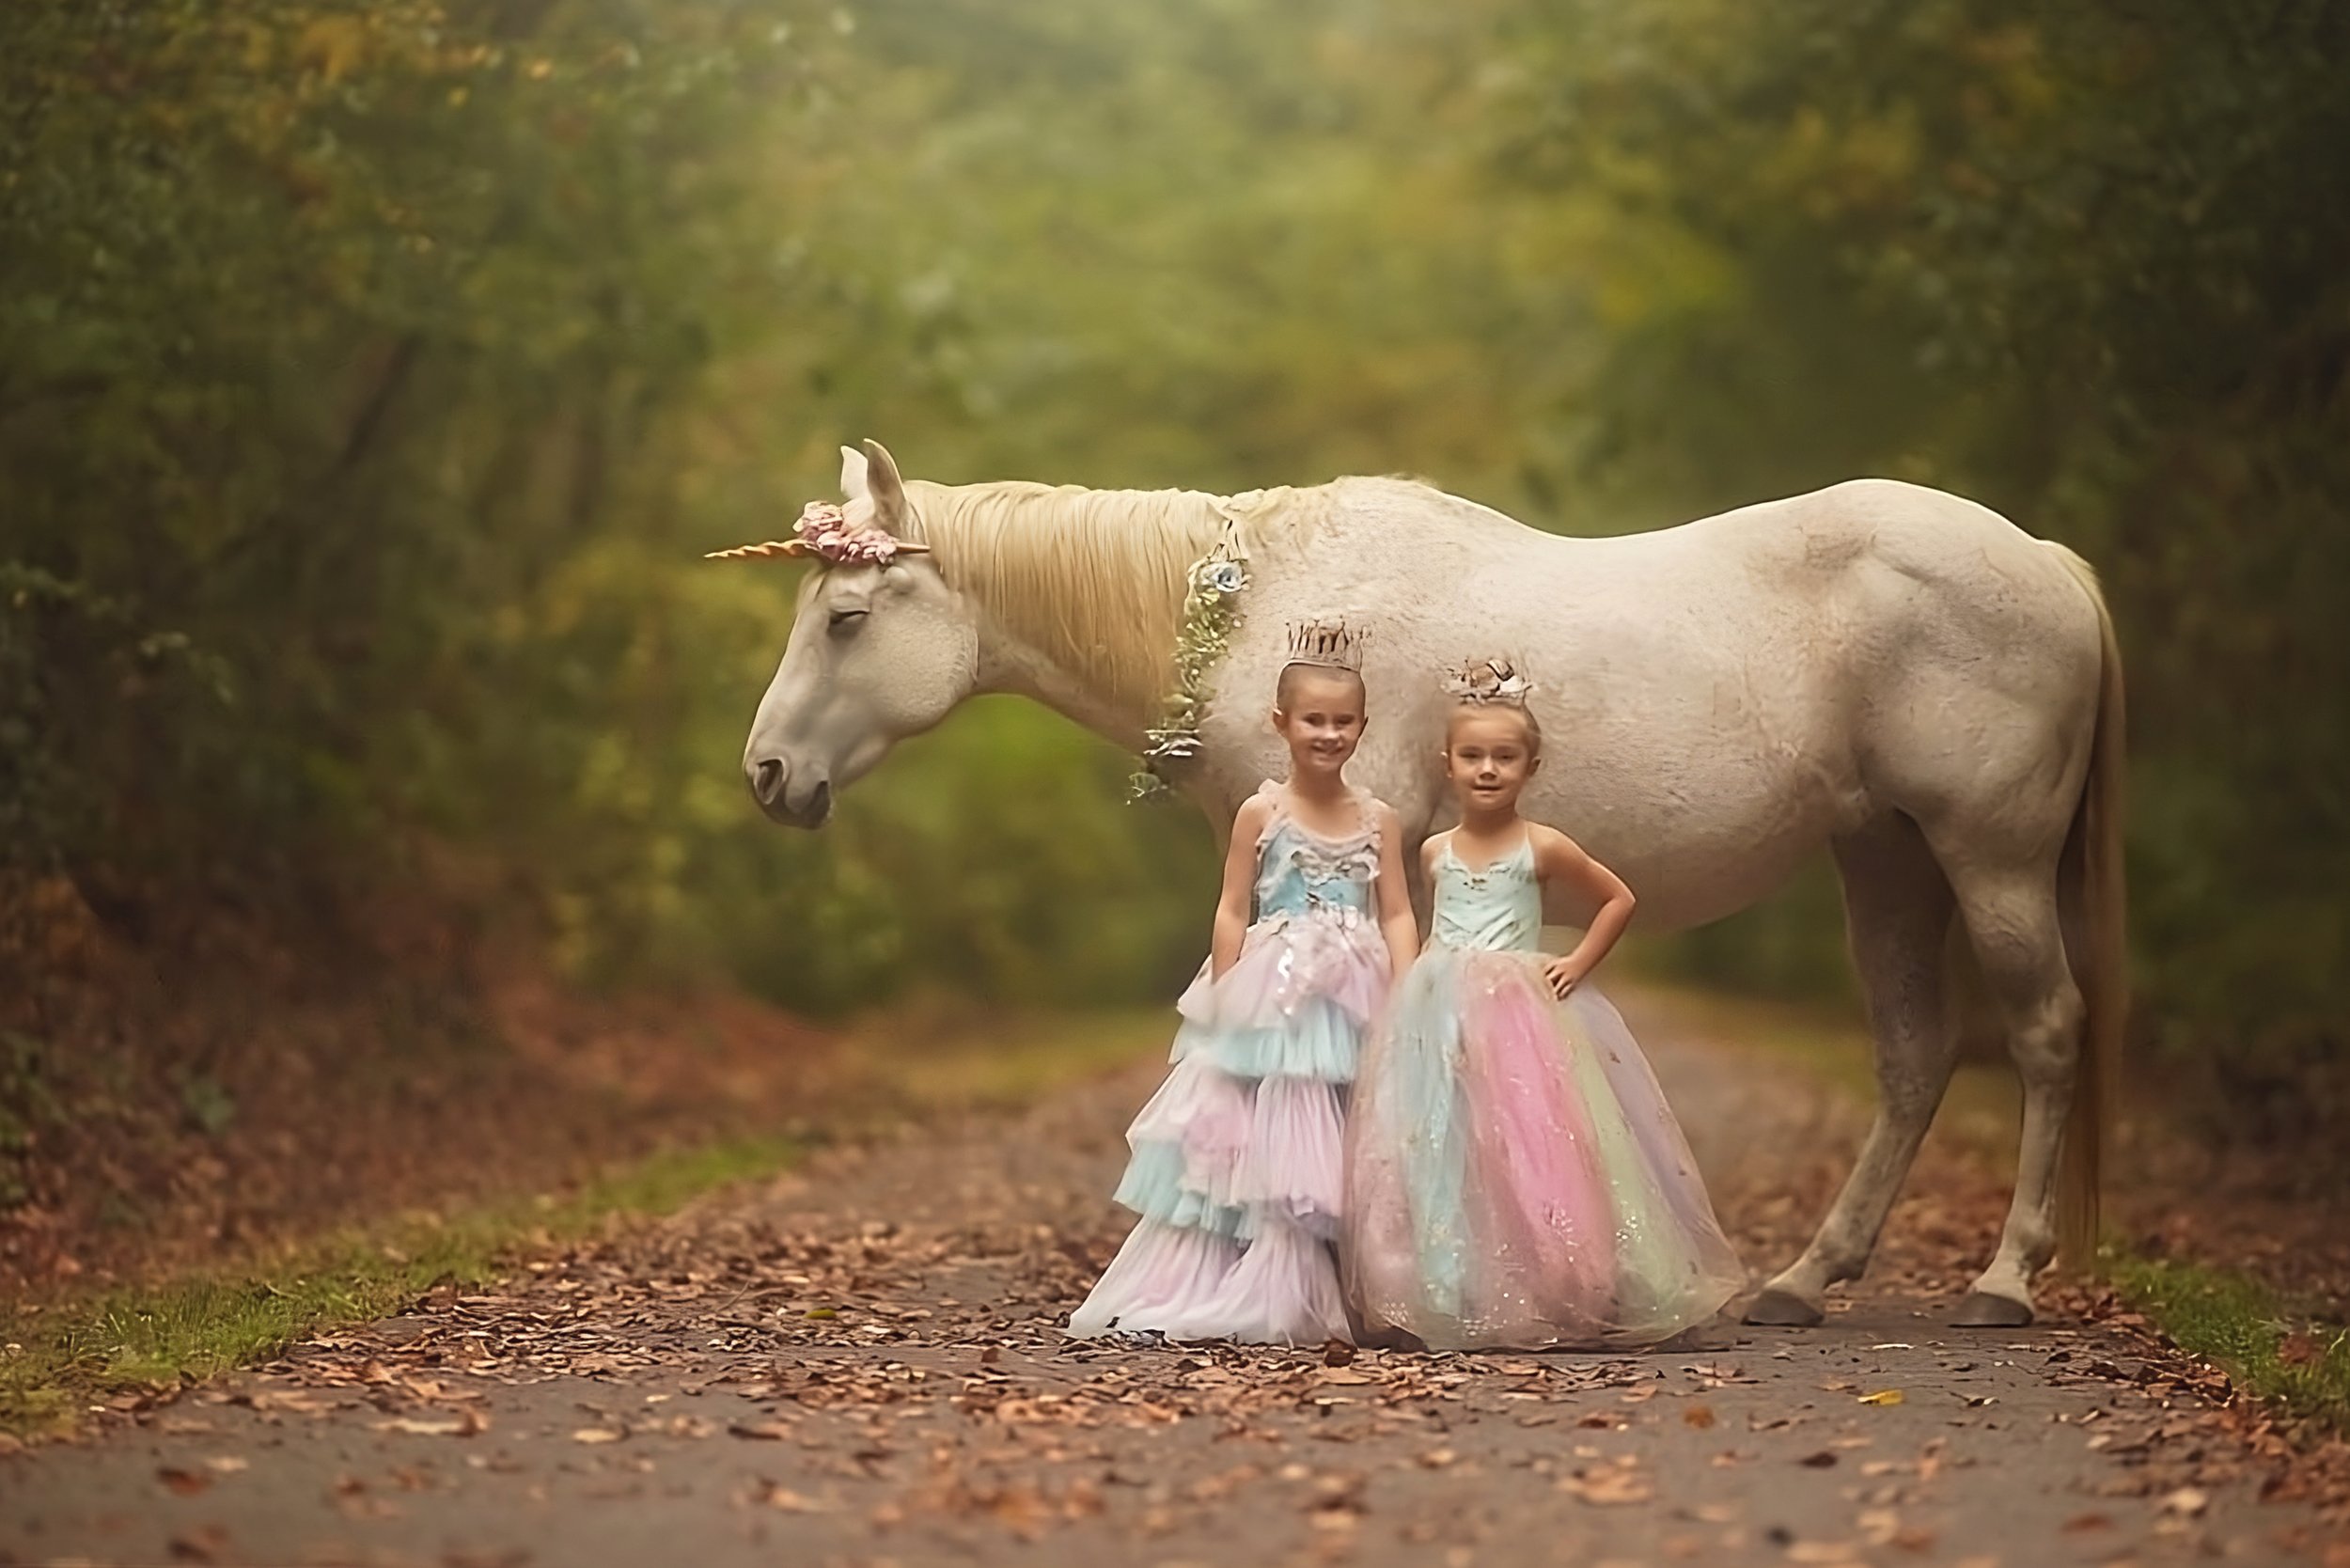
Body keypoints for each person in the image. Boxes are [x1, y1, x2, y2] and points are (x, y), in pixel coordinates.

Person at [1343, 658, 1744, 1349]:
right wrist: (1413, 993)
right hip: (1439, 1003)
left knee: (1533, 1139)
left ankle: (1560, 1280)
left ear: (1531, 766)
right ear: (1449, 764)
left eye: (1505, 758)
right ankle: (1443, 1283)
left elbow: (1618, 899)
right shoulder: (1436, 850)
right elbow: (1426, 925)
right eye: (1473, 757)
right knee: (1440, 1138)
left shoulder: (1544, 845)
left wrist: (1577, 961)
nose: (1488, 771)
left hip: (1520, 1011)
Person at [1070, 621, 1419, 1344]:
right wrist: (1228, 990)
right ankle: (1267, 1271)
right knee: (1271, 1119)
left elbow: (1397, 912)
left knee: (1354, 1121)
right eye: (1313, 720)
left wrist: (1409, 988)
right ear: (1281, 723)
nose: (1328, 735)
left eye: (1343, 722)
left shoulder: (1379, 818)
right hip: (1277, 985)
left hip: (1358, 982)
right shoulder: (1262, 812)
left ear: (1362, 726)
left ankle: (1358, 1278)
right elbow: (1234, 905)